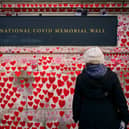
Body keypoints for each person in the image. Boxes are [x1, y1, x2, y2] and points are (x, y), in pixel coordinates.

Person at [72, 47, 129, 129]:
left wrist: (76, 117)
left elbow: (77, 100)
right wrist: (125, 118)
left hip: (87, 120)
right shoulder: (112, 76)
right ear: (101, 59)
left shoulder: (81, 78)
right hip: (109, 119)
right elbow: (120, 100)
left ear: (87, 60)